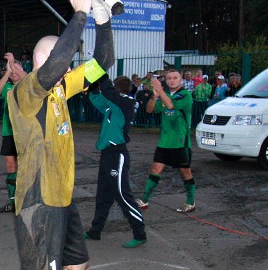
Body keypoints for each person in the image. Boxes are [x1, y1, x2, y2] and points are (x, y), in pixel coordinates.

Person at [8, 0, 112, 270]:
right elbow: (54, 68)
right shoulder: (28, 91)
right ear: (42, 61)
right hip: (37, 203)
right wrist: (80, 14)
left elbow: (101, 65)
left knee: (77, 268)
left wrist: (101, 19)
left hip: (62, 199)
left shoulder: (60, 90)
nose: (69, 64)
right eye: (60, 58)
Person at [83, 75, 147, 248]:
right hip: (107, 154)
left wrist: (100, 73)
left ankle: (140, 233)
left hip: (117, 153)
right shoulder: (115, 105)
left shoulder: (125, 102)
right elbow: (97, 99)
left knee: (123, 195)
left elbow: (109, 93)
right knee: (104, 194)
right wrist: (93, 86)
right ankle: (95, 230)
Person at [136, 69, 196, 213]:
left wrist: (160, 91)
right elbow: (150, 110)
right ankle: (144, 200)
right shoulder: (164, 95)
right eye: (169, 78)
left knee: (185, 172)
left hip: (180, 142)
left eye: (175, 78)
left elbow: (170, 105)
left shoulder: (186, 95)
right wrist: (155, 96)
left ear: (181, 80)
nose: (171, 80)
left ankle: (190, 202)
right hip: (164, 141)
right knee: (155, 169)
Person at [0, 52, 27, 213]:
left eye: (16, 69)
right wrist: (7, 71)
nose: (13, 72)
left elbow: (29, 79)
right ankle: (12, 201)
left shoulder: (27, 84)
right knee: (10, 165)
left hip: (26, 134)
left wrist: (14, 65)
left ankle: (25, 199)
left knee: (25, 166)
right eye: (11, 70)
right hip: (9, 132)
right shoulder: (7, 87)